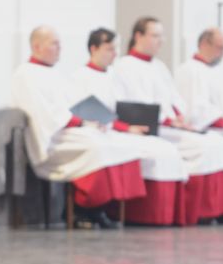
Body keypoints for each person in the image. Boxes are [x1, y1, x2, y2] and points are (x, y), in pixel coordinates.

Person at [11, 27, 146, 228]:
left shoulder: (54, 73)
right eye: (54, 43)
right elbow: (43, 114)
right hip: (51, 138)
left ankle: (102, 209)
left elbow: (75, 103)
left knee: (112, 141)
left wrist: (92, 120)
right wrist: (80, 122)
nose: (60, 49)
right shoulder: (26, 74)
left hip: (67, 131)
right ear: (36, 46)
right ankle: (83, 209)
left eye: (60, 44)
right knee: (96, 147)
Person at [114, 17, 223, 223]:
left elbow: (173, 98)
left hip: (171, 125)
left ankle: (213, 211)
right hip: (150, 128)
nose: (160, 40)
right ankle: (194, 213)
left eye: (161, 36)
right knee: (200, 147)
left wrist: (179, 115)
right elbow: (131, 105)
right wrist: (167, 120)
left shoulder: (159, 66)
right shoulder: (124, 66)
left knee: (216, 142)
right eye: (155, 35)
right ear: (138, 36)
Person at [68, 27, 188, 226]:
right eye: (109, 49)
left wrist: (128, 126)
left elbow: (122, 106)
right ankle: (90, 208)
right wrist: (120, 127)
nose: (115, 54)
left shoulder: (113, 75)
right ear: (93, 48)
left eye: (115, 49)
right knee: (109, 148)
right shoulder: (80, 76)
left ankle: (113, 209)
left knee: (157, 148)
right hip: (93, 130)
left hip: (114, 128)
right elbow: (83, 109)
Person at [175, 27, 223, 212]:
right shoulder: (190, 70)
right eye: (219, 47)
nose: (222, 52)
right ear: (204, 44)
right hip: (218, 129)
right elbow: (197, 110)